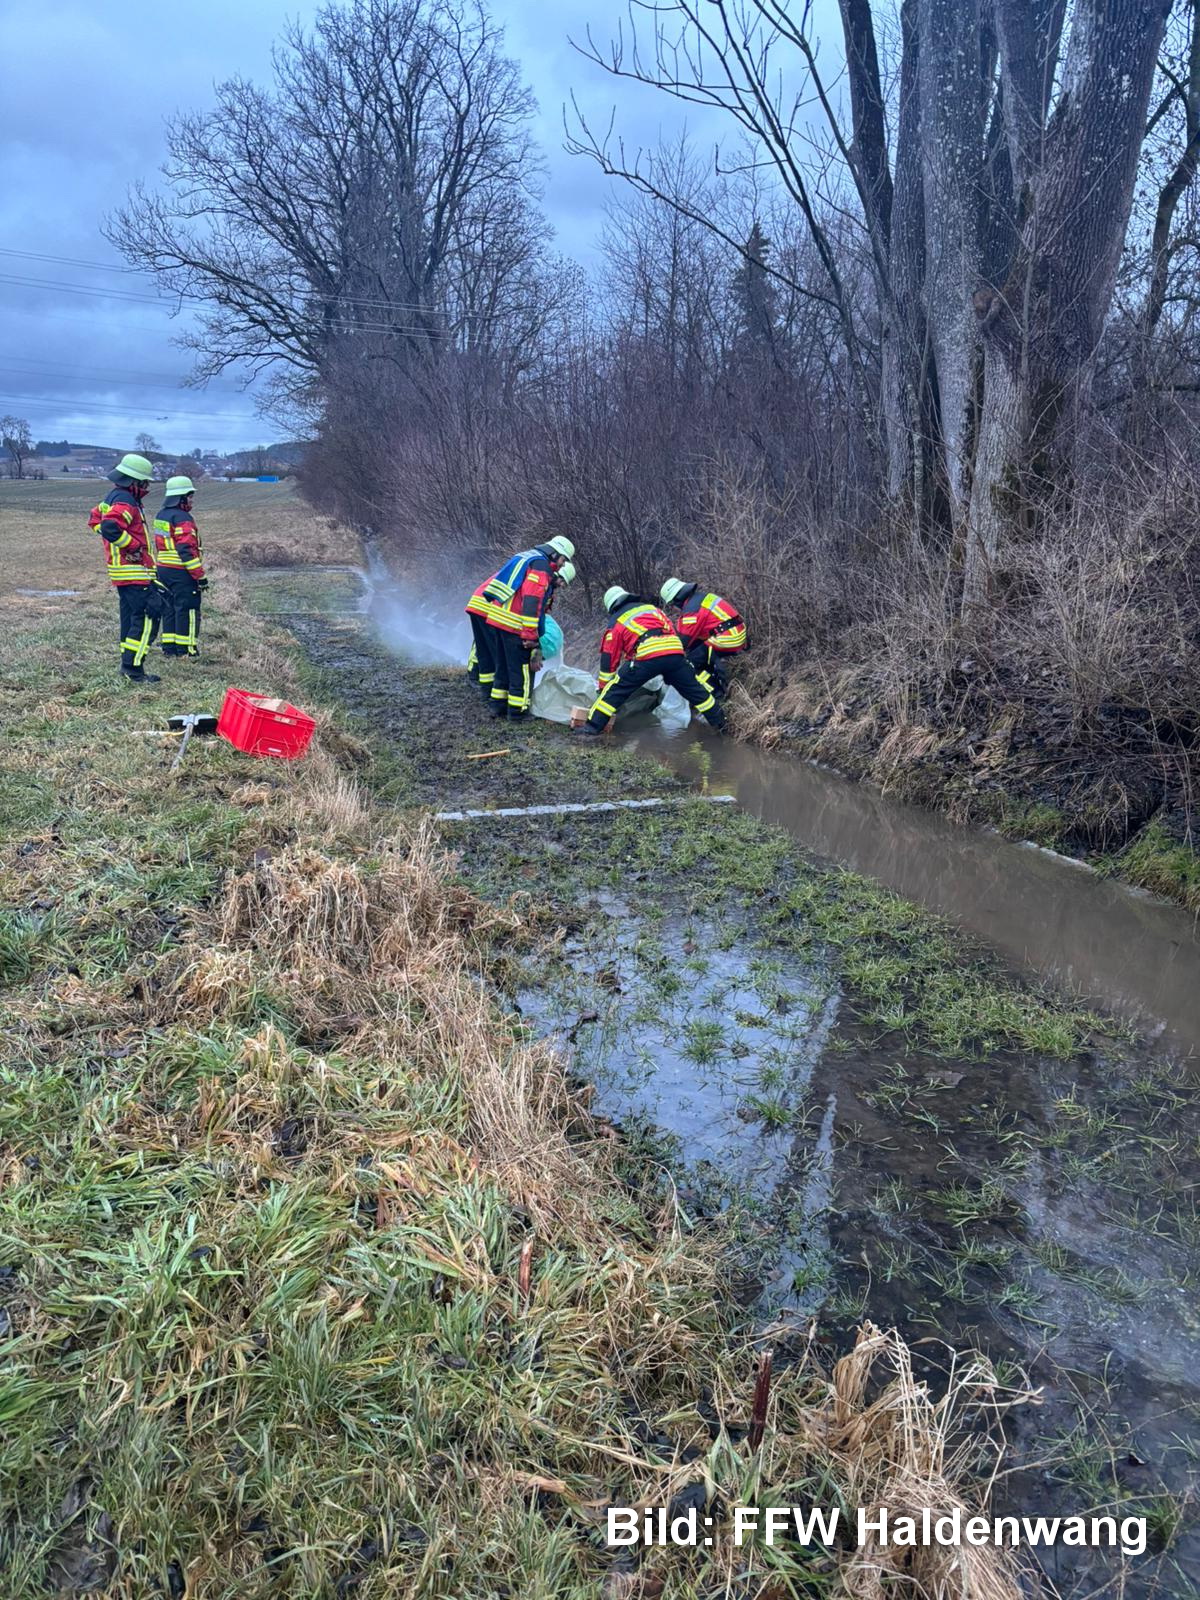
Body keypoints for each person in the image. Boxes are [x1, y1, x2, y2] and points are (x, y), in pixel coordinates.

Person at [573, 586, 725, 734]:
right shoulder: (652, 609)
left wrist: (602, 689)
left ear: (612, 607)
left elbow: (609, 659)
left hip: (648, 654)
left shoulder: (617, 620)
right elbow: (671, 630)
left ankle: (591, 728)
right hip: (675, 652)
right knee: (696, 691)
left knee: (614, 692)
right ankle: (721, 723)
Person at [466, 537, 575, 719]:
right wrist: (531, 638)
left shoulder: (529, 559)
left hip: (500, 621)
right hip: (515, 625)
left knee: (502, 666)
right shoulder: (541, 568)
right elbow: (531, 603)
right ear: (555, 554)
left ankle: (497, 706)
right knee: (523, 670)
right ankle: (518, 711)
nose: (562, 565)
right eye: (563, 560)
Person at [88, 452, 162, 683]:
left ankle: (128, 664)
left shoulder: (111, 498)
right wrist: (132, 546)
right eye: (145, 482)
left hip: (122, 573)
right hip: (134, 572)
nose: (147, 487)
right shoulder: (125, 501)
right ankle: (133, 670)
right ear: (135, 482)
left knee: (130, 619)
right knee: (150, 614)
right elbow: (110, 527)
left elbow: (94, 521)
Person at [659, 578, 747, 696]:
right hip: (736, 632)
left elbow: (683, 642)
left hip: (728, 638)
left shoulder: (691, 610)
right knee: (697, 649)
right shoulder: (702, 598)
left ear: (677, 599)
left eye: (673, 603)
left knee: (688, 665)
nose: (674, 606)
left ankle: (716, 693)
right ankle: (715, 671)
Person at [154, 475, 207, 657]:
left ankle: (169, 648)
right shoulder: (183, 518)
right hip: (181, 571)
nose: (192, 500)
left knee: (169, 609)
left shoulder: (161, 515)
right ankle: (187, 650)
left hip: (163, 569)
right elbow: (186, 549)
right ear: (181, 497)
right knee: (188, 609)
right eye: (190, 496)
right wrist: (199, 576)